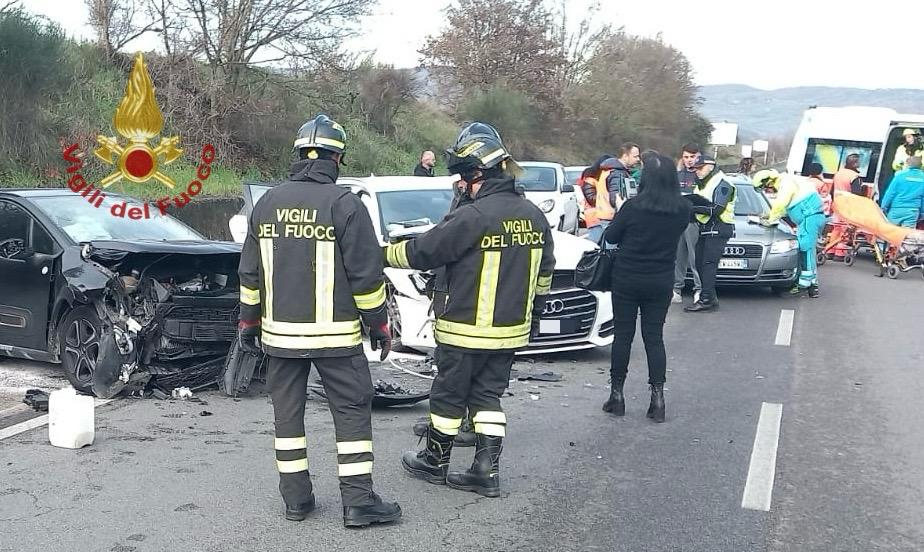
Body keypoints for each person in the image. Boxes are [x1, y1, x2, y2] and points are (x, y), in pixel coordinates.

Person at [237, 114, 401, 528]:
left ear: (297, 155)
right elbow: (366, 276)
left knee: (287, 418)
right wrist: (379, 325)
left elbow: (250, 276)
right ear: (337, 158)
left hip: (280, 339)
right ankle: (358, 502)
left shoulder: (268, 203)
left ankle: (296, 500)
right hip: (337, 340)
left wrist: (248, 324)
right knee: (350, 414)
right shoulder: (345, 204)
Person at [389, 122, 555, 498]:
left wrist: (381, 254)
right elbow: (544, 274)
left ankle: (434, 462)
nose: (461, 184)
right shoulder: (534, 215)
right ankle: (486, 470)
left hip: (464, 329)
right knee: (487, 398)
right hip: (510, 331)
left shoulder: (474, 216)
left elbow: (425, 251)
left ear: (477, 173)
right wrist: (535, 315)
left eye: (464, 176)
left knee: (448, 399)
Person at [601, 153, 692, 423]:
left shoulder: (633, 207)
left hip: (627, 278)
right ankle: (657, 399)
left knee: (623, 336)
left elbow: (612, 236)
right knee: (654, 337)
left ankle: (617, 396)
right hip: (660, 279)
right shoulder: (682, 209)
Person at [754, 169, 825, 298]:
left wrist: (771, 220)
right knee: (809, 252)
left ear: (769, 182)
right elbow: (785, 208)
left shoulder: (785, 184)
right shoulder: (787, 181)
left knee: (805, 250)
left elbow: (781, 204)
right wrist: (769, 215)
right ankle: (813, 286)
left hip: (809, 218)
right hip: (809, 219)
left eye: (766, 188)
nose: (767, 191)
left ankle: (804, 284)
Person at [683, 155, 736, 313]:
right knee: (700, 263)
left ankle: (706, 299)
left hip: (720, 227)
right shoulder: (702, 185)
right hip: (706, 228)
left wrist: (692, 208)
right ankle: (710, 297)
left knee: (708, 264)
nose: (697, 172)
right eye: (695, 169)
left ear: (711, 166)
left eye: (700, 168)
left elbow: (717, 209)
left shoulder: (723, 183)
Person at [673, 145, 703, 305]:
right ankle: (676, 289)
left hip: (695, 222)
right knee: (678, 256)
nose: (689, 160)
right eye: (686, 157)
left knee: (694, 257)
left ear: (698, 156)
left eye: (692, 157)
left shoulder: (701, 175)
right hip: (679, 221)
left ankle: (699, 289)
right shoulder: (677, 175)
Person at [580, 154, 616, 242]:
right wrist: (608, 198)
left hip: (604, 216)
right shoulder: (590, 179)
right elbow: (591, 198)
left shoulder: (602, 178)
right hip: (594, 218)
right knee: (596, 245)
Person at [881, 156, 924, 228]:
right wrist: (922, 212)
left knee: (891, 233)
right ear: (920, 166)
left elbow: (890, 194)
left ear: (907, 164)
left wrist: (883, 207)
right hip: (912, 211)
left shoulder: (900, 176)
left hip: (896, 209)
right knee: (906, 236)